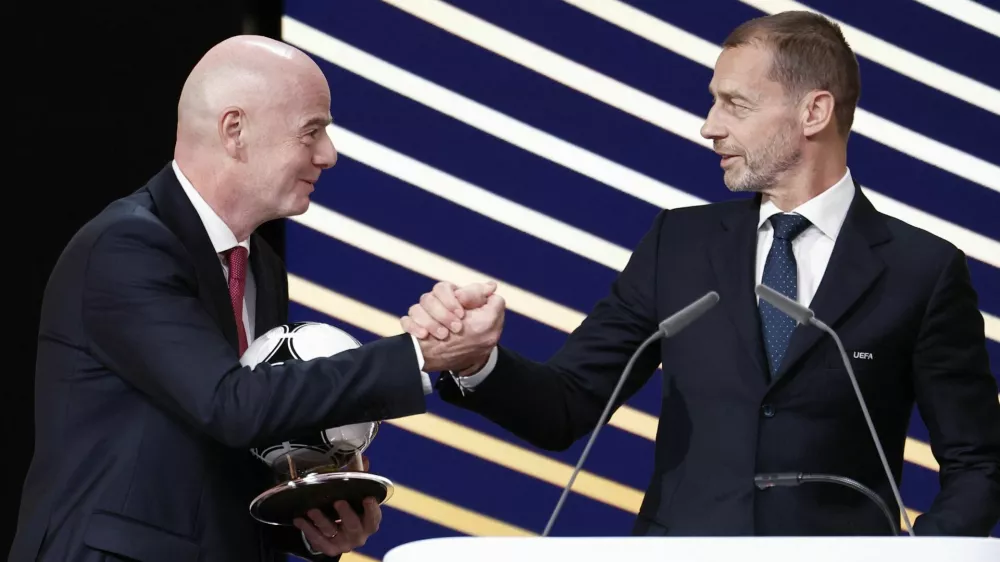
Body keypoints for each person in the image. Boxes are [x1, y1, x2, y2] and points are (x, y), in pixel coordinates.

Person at [401, 11, 1000, 536]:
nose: (709, 126)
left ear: (814, 111)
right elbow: (567, 405)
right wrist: (475, 362)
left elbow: (979, 462)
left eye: (735, 104)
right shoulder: (679, 244)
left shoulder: (921, 268)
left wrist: (924, 557)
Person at [10, 36, 495, 562]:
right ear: (235, 131)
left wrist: (309, 527)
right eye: (312, 130)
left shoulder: (260, 265)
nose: (328, 154)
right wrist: (418, 353)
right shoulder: (127, 246)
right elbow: (230, 405)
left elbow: (233, 450)